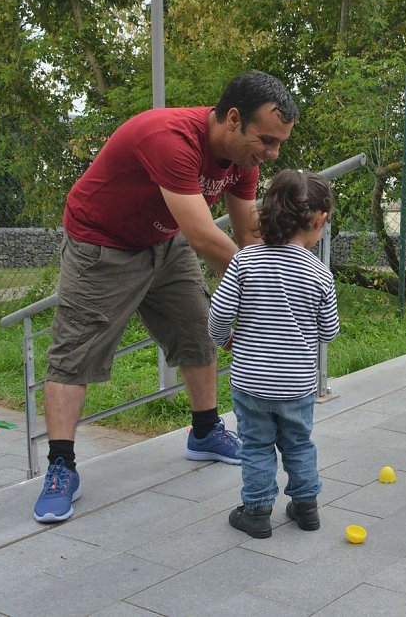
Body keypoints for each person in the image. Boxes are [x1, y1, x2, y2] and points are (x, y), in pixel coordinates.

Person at [33, 71, 298, 523]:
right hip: (103, 245)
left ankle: (205, 431)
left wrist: (273, 272)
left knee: (198, 330)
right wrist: (264, 289)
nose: (272, 154)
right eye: (267, 140)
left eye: (278, 144)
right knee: (73, 355)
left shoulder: (242, 160)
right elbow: (202, 234)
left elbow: (246, 235)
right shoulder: (170, 138)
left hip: (164, 240)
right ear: (233, 119)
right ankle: (61, 466)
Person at [208, 169, 340, 539]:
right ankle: (306, 506)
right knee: (298, 443)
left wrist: (225, 340)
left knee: (256, 445)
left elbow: (218, 315)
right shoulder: (319, 273)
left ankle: (257, 511)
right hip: (297, 383)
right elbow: (329, 330)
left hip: (251, 382)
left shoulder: (245, 261)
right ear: (319, 219)